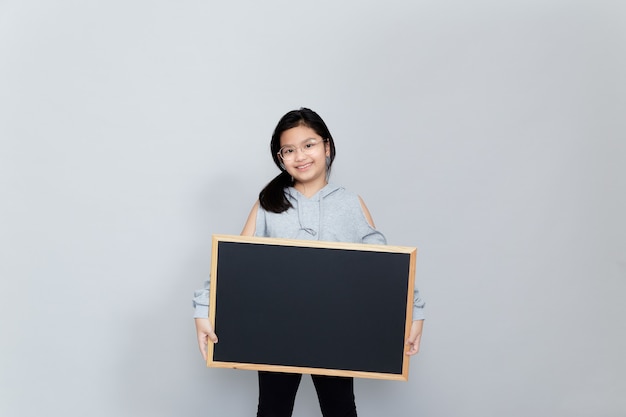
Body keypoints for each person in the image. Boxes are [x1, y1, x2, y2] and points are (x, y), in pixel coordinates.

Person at [193, 107, 425, 417]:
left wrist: (415, 312)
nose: (300, 155)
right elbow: (234, 263)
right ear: (280, 158)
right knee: (273, 408)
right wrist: (202, 309)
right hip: (277, 328)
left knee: (340, 408)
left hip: (336, 329)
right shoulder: (268, 203)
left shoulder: (350, 204)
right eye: (289, 150)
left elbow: (385, 268)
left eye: (309, 145)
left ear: (327, 147)